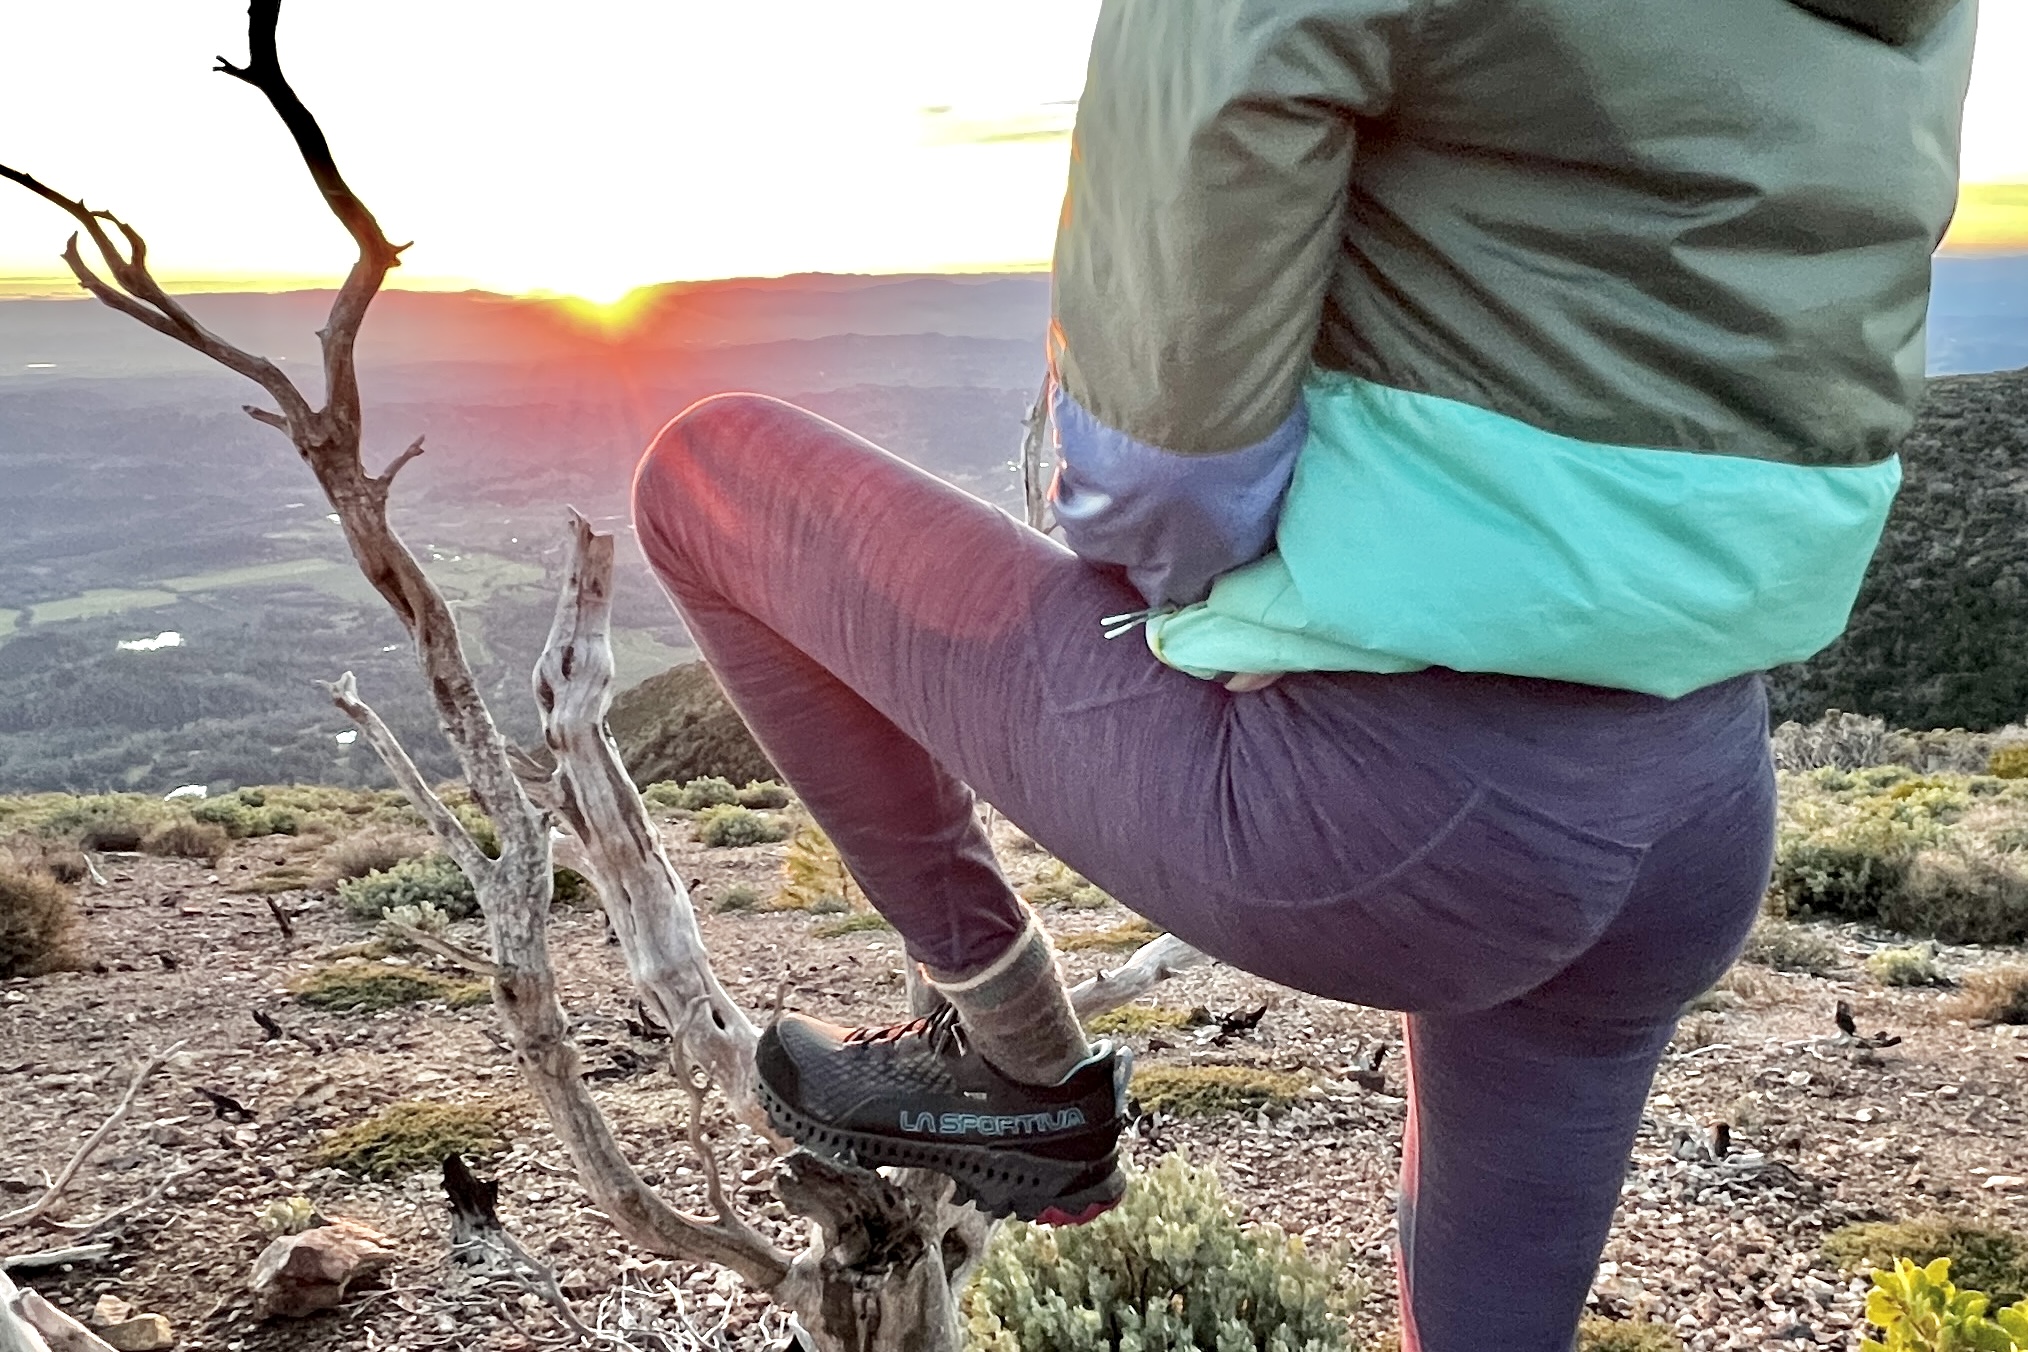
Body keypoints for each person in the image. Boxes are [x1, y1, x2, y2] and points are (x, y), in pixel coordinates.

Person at [630, 0, 1976, 1345]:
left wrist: (1225, 603)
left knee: (705, 475)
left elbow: (1155, 457)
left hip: (1398, 815)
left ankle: (1007, 1050)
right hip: (1697, 803)